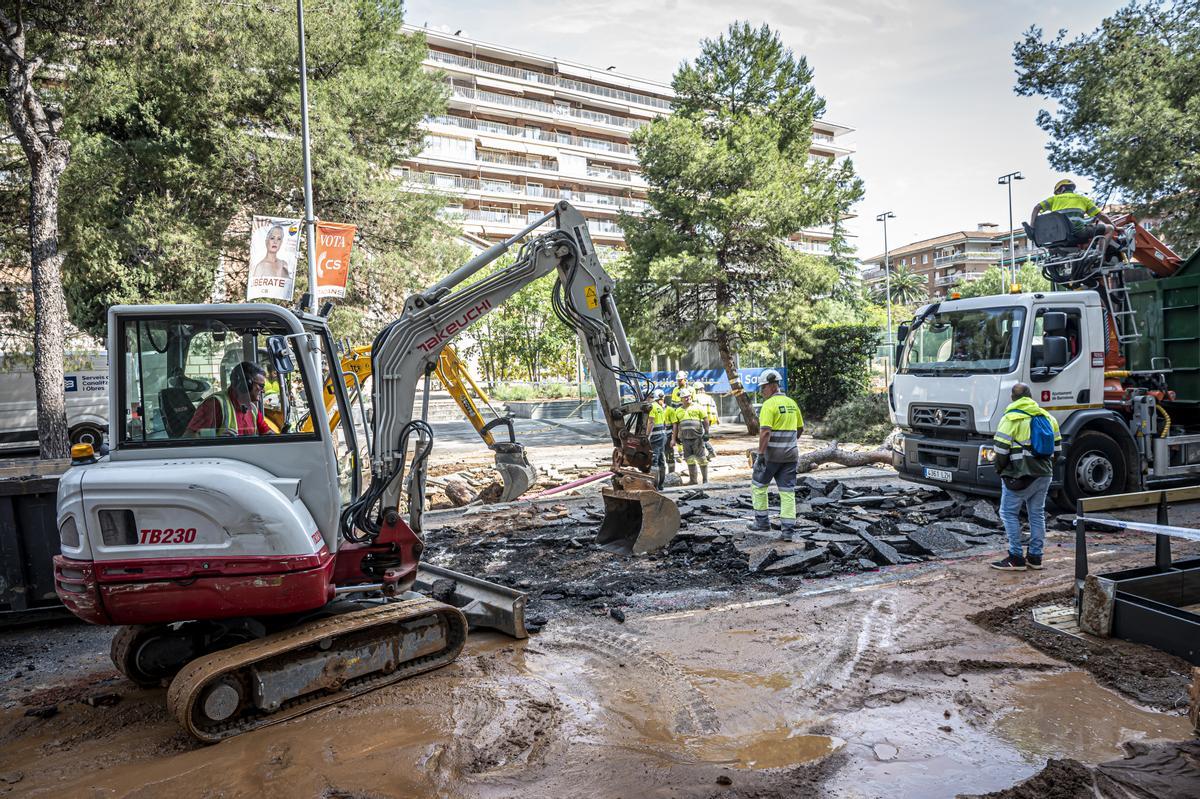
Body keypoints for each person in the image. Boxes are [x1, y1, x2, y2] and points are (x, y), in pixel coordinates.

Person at [990, 383, 1061, 571]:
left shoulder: (1011, 418)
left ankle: (1015, 557)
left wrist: (1001, 471)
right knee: (1037, 514)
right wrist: (1044, 469)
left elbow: (1000, 450)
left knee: (1008, 513)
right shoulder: (1048, 417)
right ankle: (1035, 557)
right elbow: (1058, 450)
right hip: (1044, 474)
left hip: (1020, 474)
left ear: (1013, 399)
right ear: (1030, 396)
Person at [749, 370, 803, 538]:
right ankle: (787, 531)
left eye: (763, 387)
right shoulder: (792, 403)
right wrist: (789, 444)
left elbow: (765, 433)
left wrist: (760, 455)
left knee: (758, 486)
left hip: (771, 457)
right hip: (791, 456)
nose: (761, 391)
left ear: (772, 386)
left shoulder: (769, 405)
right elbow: (800, 428)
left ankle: (762, 522)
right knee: (787, 492)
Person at [186, 361, 275, 438]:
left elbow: (267, 434)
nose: (263, 390)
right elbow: (188, 437)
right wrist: (216, 439)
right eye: (261, 386)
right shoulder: (215, 404)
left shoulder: (252, 410)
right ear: (246, 384)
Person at [1030, 179, 1114, 247]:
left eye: (1057, 191)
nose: (1057, 194)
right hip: (1078, 233)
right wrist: (1115, 227)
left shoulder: (1054, 199)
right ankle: (1100, 256)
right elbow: (1101, 215)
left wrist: (1032, 227)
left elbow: (1036, 208)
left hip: (1058, 236)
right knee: (1110, 228)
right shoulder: (1083, 199)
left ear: (1062, 188)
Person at [671, 388, 710, 485]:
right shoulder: (678, 411)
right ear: (681, 399)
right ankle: (693, 480)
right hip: (685, 439)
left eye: (688, 396)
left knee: (702, 459)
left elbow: (705, 420)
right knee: (690, 459)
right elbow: (675, 425)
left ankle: (705, 480)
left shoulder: (698, 407)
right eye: (685, 397)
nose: (688, 398)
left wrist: (707, 432)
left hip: (697, 438)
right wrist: (674, 438)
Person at [647, 388, 671, 488]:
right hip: (663, 435)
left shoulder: (652, 406)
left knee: (654, 460)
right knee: (661, 459)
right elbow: (664, 423)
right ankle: (661, 485)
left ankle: (654, 485)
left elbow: (651, 422)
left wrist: (647, 436)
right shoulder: (660, 407)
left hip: (656, 436)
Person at [692, 380, 719, 460]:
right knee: (702, 436)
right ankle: (708, 453)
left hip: (699, 420)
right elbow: (714, 408)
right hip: (708, 420)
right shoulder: (709, 397)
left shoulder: (695, 398)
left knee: (700, 437)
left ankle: (709, 452)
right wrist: (717, 418)